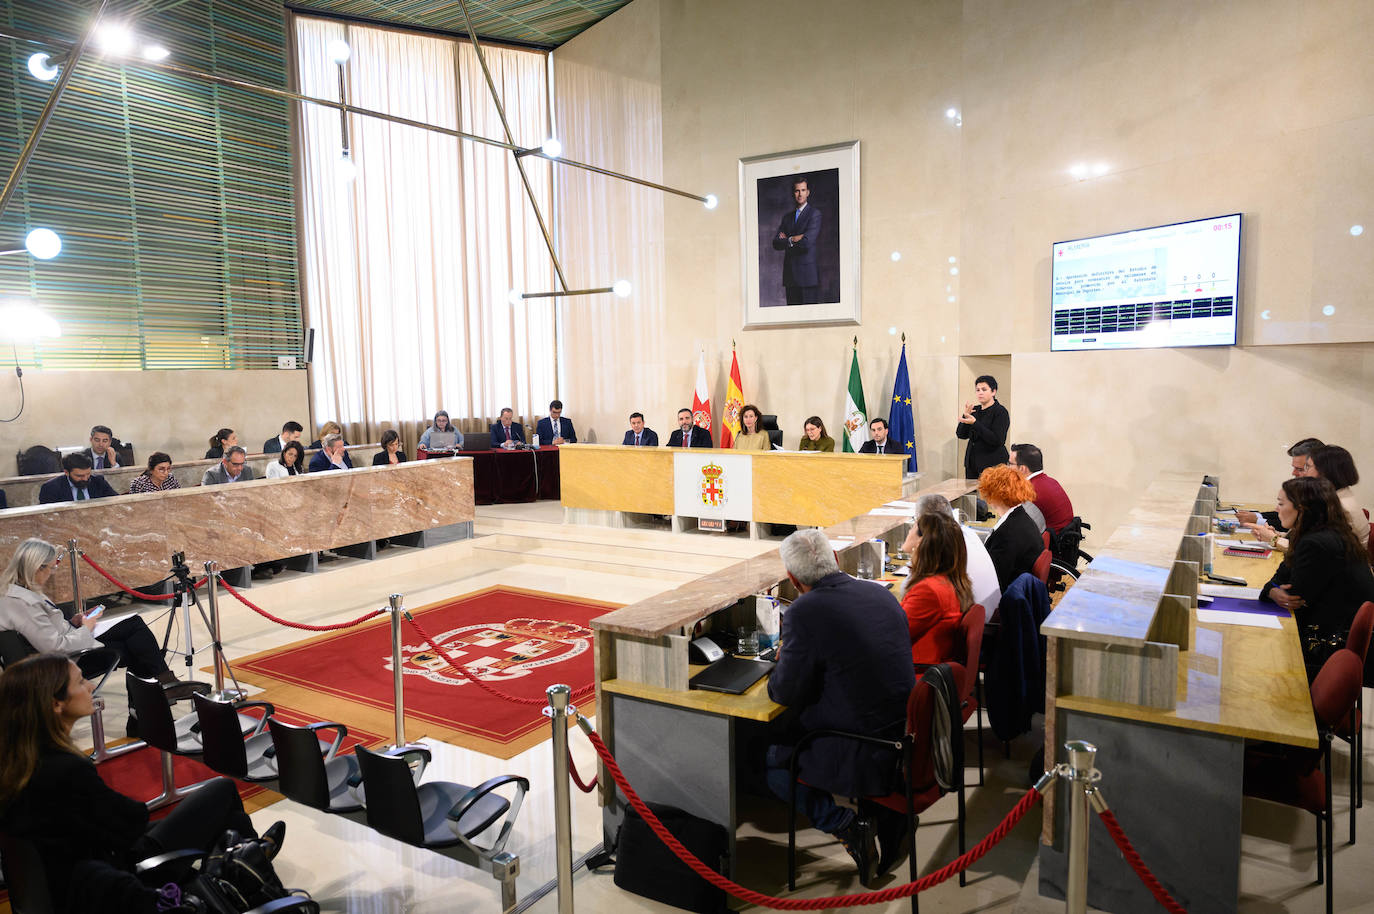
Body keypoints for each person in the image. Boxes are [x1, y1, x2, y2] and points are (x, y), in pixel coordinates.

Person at [0, 653, 284, 913]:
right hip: (121, 872)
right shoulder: (66, 768)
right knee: (221, 790)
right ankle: (251, 863)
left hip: (72, 880)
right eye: (80, 681)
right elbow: (130, 823)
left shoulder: (18, 763)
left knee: (227, 815)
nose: (89, 686)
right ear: (55, 704)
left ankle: (252, 858)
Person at [765, 529, 915, 885]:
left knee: (772, 761)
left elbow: (782, 693)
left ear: (792, 579)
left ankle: (844, 825)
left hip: (856, 743)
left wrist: (781, 660)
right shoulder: (880, 593)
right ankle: (881, 814)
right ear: (835, 560)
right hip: (900, 731)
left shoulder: (804, 611)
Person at [0, 539, 186, 731]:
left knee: (133, 630)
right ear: (37, 568)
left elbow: (44, 630)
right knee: (133, 641)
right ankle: (154, 697)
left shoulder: (16, 593)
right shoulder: (23, 603)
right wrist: (86, 629)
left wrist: (72, 623)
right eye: (50, 568)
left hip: (62, 651)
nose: (51, 574)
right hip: (59, 664)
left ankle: (150, 705)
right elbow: (55, 647)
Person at [1259, 477, 1374, 672]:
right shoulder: (1324, 532)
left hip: (1327, 647)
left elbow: (1295, 599)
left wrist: (1273, 591)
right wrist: (1272, 591)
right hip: (1334, 636)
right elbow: (1278, 583)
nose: (1276, 509)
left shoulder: (1316, 543)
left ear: (1302, 509)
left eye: (1280, 503)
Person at [898, 512, 973, 665]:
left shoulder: (928, 591)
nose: (909, 531)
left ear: (922, 542)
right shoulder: (949, 581)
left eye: (913, 526)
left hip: (915, 675)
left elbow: (892, 634)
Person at [915, 492, 1001, 613]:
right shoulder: (967, 532)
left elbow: (910, 590)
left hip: (978, 619)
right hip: (984, 613)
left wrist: (912, 548)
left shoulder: (944, 543)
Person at [979, 465, 1043, 591]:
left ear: (997, 495)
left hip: (1007, 597)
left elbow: (994, 579)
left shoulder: (1007, 533)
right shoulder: (1021, 518)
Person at [1237, 437, 1324, 529]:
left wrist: (1257, 520)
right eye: (1294, 468)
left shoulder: (1322, 496)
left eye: (1300, 469)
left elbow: (1294, 525)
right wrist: (1256, 516)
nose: (1293, 473)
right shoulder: (1308, 489)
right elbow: (1284, 515)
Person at [1298, 445, 1368, 549]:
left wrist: (1274, 539)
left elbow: (1312, 549)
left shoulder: (1336, 505)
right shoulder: (1342, 494)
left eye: (1307, 467)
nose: (1304, 473)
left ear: (1325, 471)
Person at [771, 176, 822, 305]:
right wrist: (793, 238)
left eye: (803, 190)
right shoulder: (787, 217)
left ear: (808, 192)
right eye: (797, 191)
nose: (800, 194)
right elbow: (776, 243)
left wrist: (787, 240)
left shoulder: (815, 214)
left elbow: (806, 242)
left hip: (807, 277)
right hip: (790, 277)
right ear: (793, 193)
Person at [1009, 443, 1074, 534]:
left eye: (1010, 464)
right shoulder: (1051, 481)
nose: (1008, 468)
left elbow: (1018, 528)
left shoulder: (1030, 491)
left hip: (1048, 543)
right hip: (1062, 541)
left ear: (1022, 468)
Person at [955, 375, 1010, 479]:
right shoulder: (974, 410)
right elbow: (961, 435)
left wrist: (975, 423)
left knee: (992, 494)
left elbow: (998, 440)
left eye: (984, 389)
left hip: (993, 464)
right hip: (972, 463)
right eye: (977, 390)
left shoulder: (1000, 411)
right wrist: (965, 416)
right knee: (972, 494)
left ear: (993, 391)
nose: (980, 392)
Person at [37, 453, 118, 504]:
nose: (86, 479)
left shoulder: (98, 481)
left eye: (88, 474)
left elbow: (116, 501)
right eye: (80, 476)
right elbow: (47, 517)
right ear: (66, 472)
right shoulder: (51, 488)